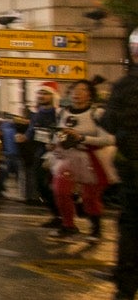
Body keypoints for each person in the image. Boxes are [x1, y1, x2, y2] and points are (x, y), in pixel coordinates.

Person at [46, 79, 112, 239]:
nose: (77, 93)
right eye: (75, 90)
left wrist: (82, 138)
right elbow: (59, 133)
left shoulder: (97, 114)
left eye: (82, 90)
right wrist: (54, 143)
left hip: (90, 158)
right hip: (67, 158)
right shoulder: (62, 112)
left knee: (90, 197)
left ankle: (96, 228)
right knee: (60, 190)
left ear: (90, 95)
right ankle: (68, 225)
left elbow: (108, 139)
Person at [99, 34, 138, 300]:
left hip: (133, 163)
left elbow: (108, 123)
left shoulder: (125, 85)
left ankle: (126, 288)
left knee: (131, 225)